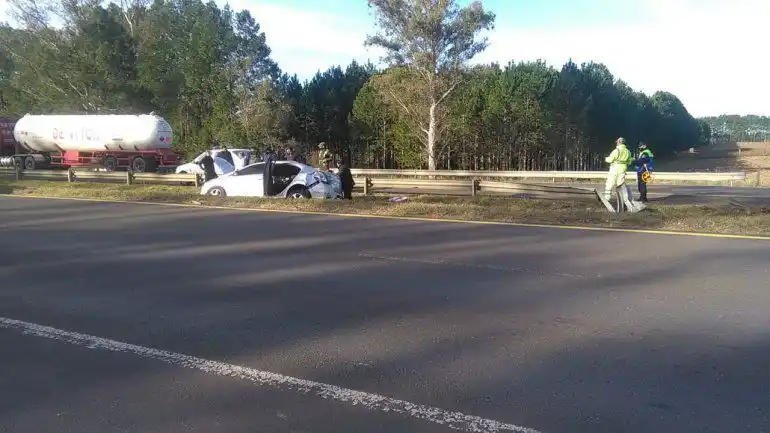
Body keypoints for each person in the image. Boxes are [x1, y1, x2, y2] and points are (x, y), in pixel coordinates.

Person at [603, 137, 633, 201]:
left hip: (615, 168)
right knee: (620, 183)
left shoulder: (616, 151)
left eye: (617, 142)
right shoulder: (628, 152)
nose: (616, 143)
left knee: (610, 182)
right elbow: (629, 161)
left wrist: (606, 159)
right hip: (623, 168)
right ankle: (621, 199)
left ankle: (607, 198)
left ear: (619, 142)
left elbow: (610, 160)